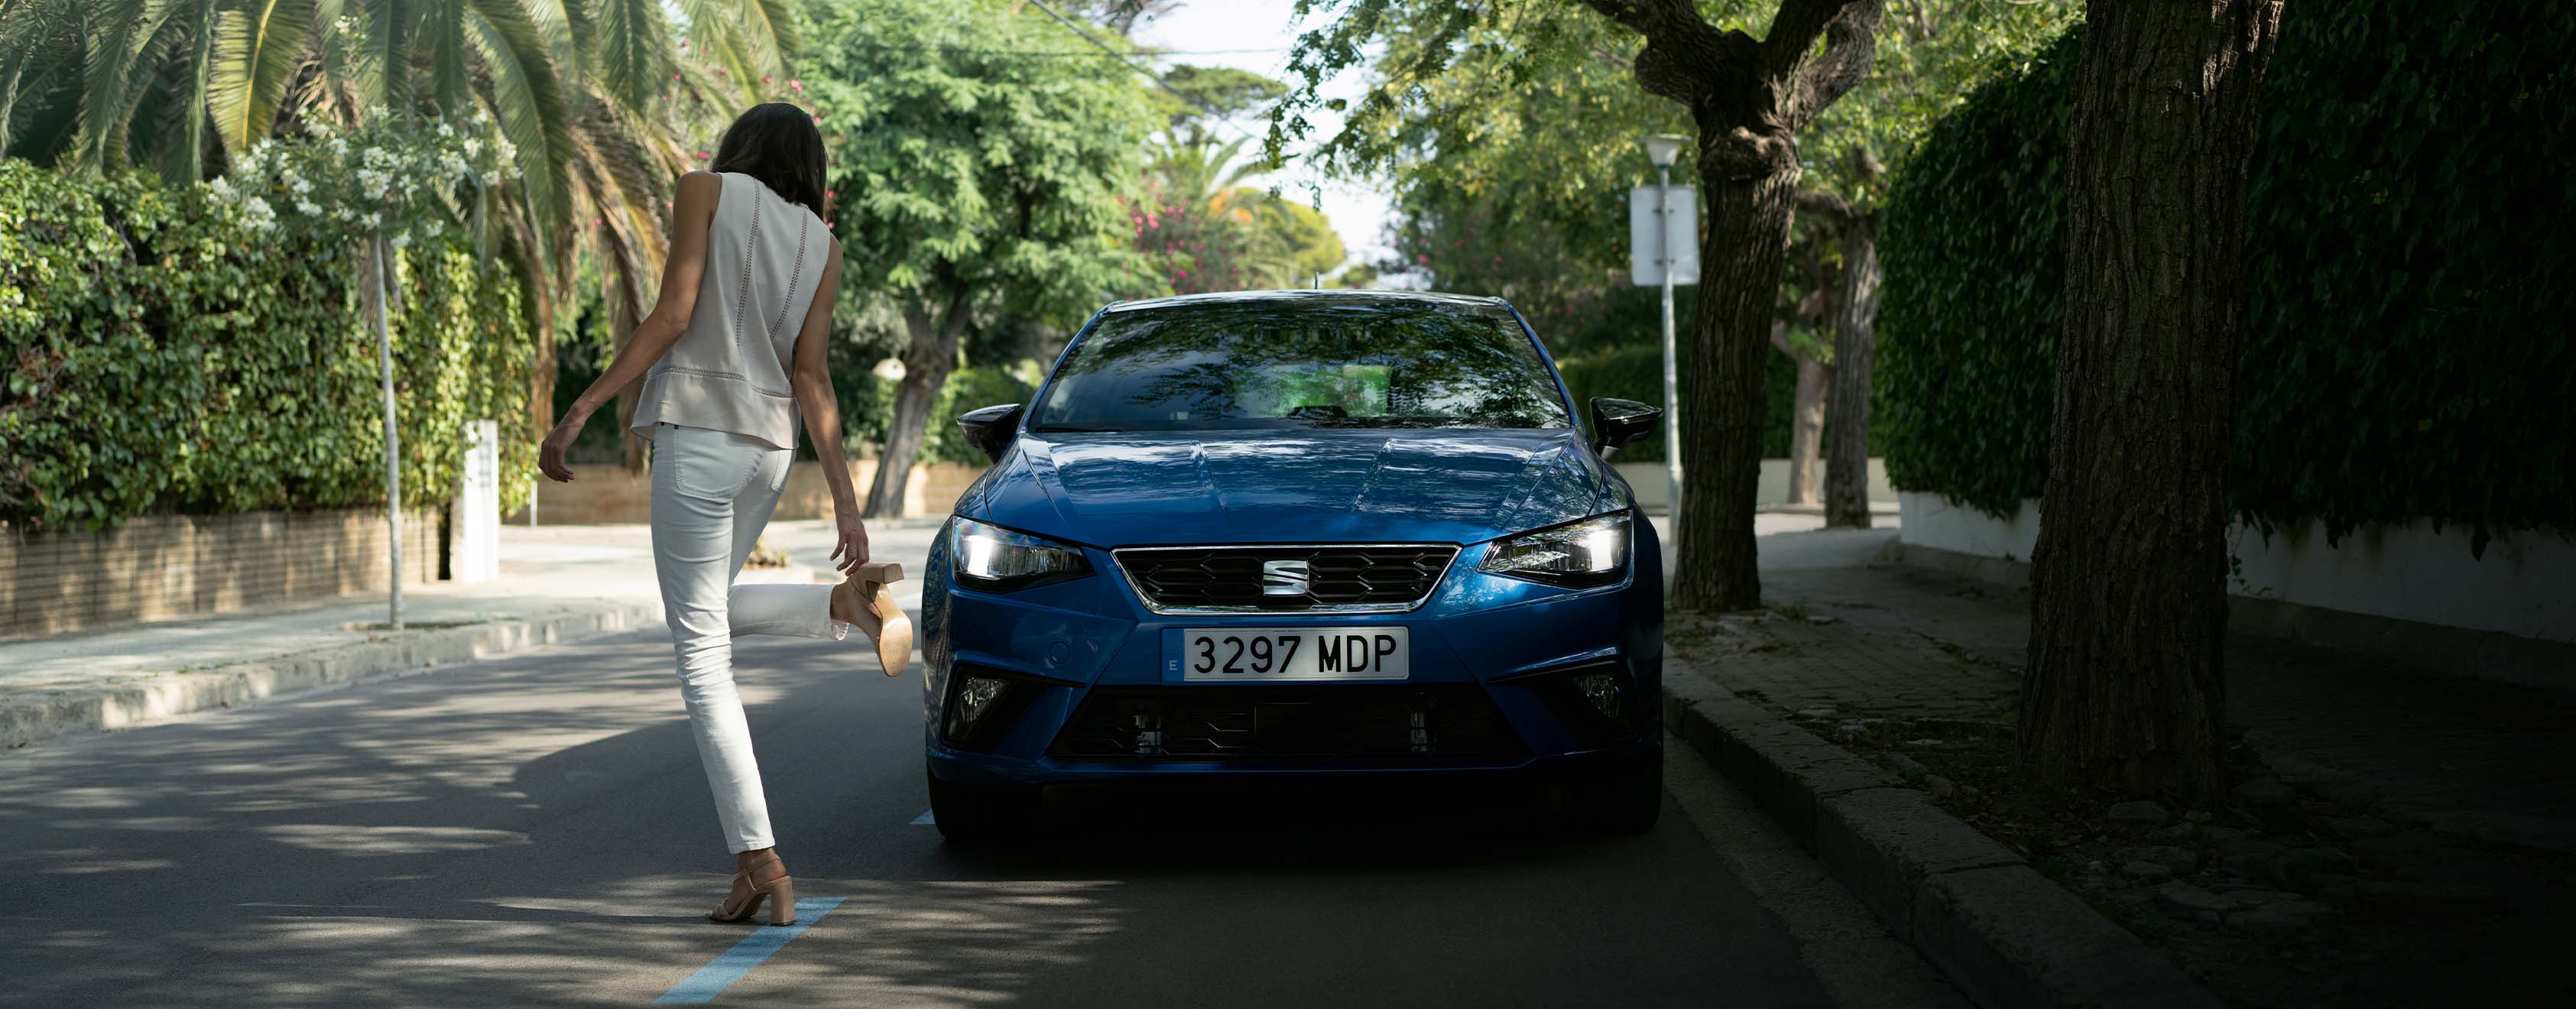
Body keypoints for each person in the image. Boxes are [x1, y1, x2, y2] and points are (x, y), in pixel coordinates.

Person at [537, 102, 910, 928]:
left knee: (701, 652)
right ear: (809, 169)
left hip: (702, 435)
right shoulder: (824, 244)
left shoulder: (703, 190)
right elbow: (812, 375)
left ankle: (759, 859)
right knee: (698, 616)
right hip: (770, 452)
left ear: (741, 147)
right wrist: (848, 508)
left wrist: (578, 412)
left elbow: (674, 316)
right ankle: (841, 602)